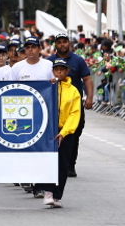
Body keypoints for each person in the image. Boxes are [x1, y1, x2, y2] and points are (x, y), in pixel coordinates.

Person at [37, 57, 81, 208]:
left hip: (66, 131)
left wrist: (64, 132)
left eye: (62, 69)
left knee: (63, 164)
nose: (59, 72)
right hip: (49, 130)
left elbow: (75, 114)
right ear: (53, 71)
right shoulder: (49, 86)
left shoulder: (73, 91)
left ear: (66, 71)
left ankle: (57, 195)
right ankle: (48, 191)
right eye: (57, 69)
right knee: (48, 161)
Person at [50, 33, 93, 177]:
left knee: (74, 134)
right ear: (55, 44)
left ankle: (70, 165)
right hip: (54, 105)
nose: (62, 44)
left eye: (64, 42)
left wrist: (89, 98)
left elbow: (87, 79)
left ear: (69, 43)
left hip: (74, 104)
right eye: (59, 42)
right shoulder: (49, 61)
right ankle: (54, 163)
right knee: (53, 134)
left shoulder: (78, 60)